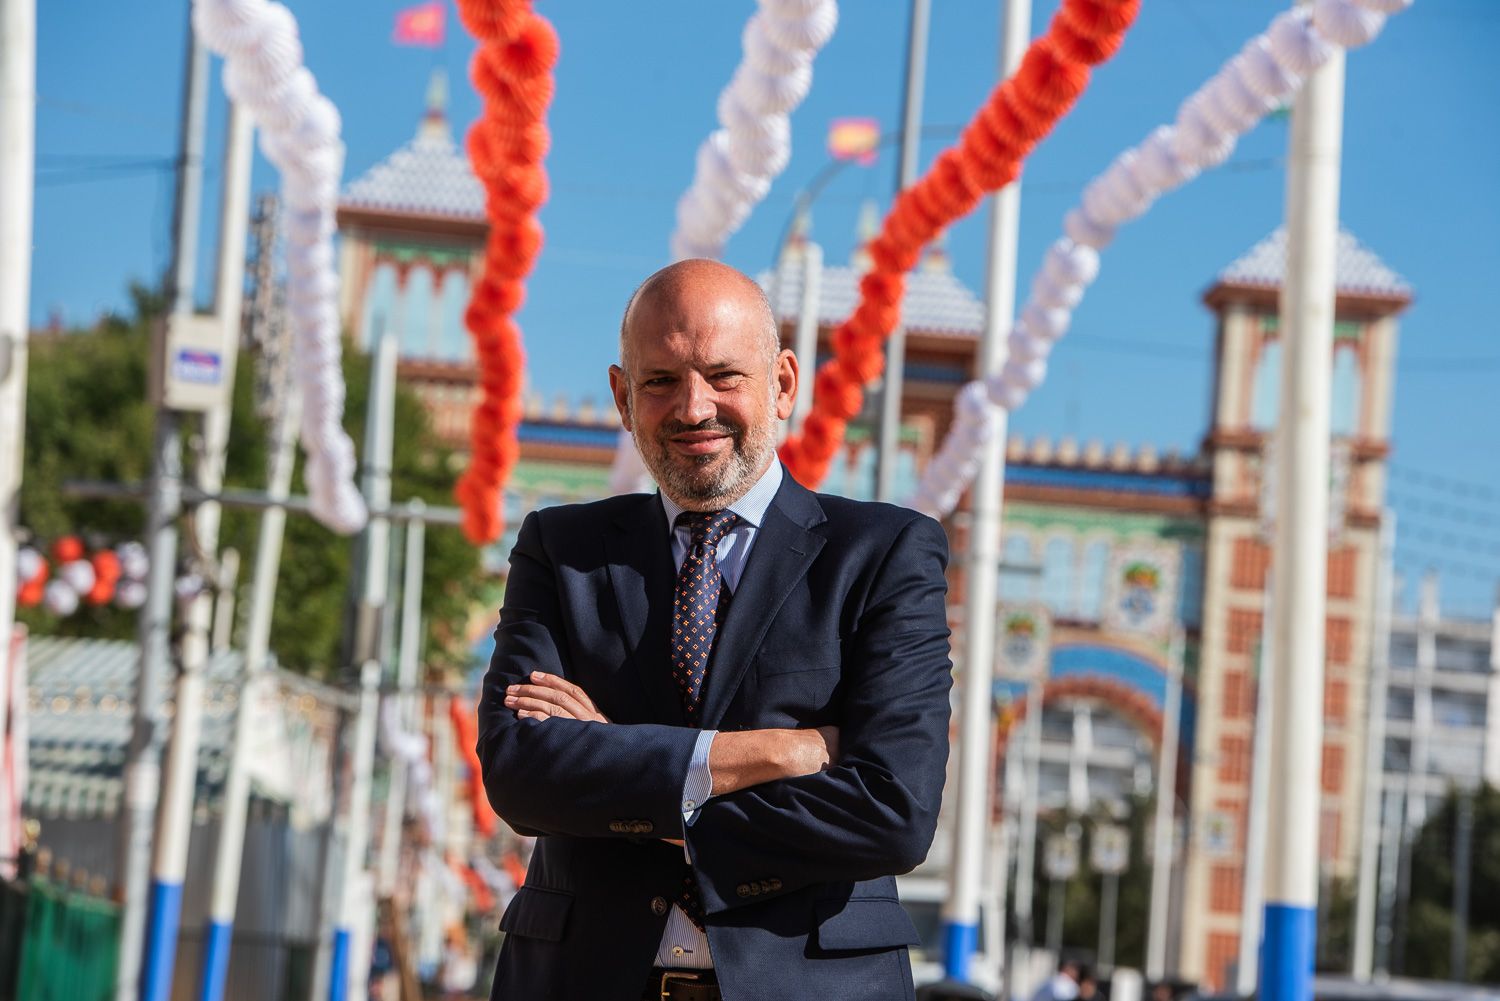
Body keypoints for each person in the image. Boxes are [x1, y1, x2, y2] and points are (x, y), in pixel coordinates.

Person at [477, 258, 954, 1000]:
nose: (693, 407)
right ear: (622, 396)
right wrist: (770, 753)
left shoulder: (883, 555)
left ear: (785, 384)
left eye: (724, 374)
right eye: (660, 380)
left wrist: (619, 759)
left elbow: (892, 812)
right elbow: (521, 775)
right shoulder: (564, 551)